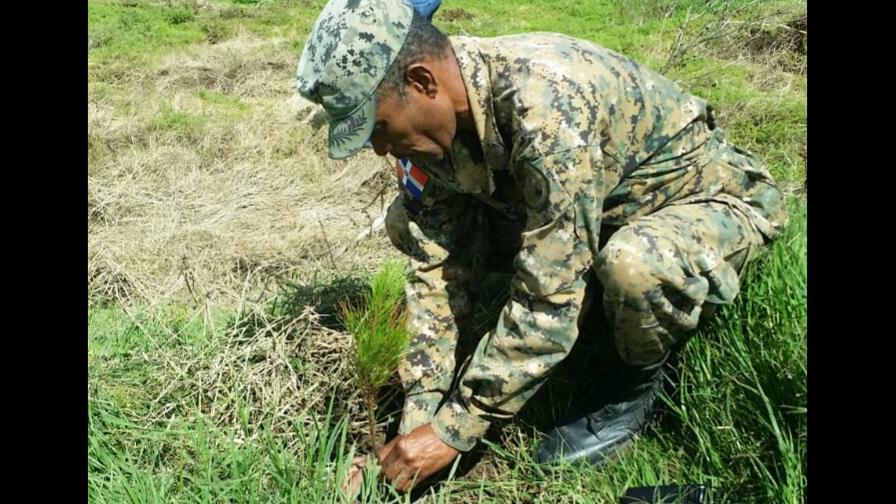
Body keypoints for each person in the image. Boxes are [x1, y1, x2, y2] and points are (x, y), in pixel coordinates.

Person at [295, 0, 788, 492]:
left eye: (379, 128)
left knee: (634, 265)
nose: (381, 149)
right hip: (597, 209)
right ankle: (595, 301)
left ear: (423, 83)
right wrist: (413, 428)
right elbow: (437, 272)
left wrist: (456, 428)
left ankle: (633, 385)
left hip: (706, 203)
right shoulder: (439, 123)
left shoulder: (548, 106)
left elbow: (548, 297)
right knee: (409, 223)